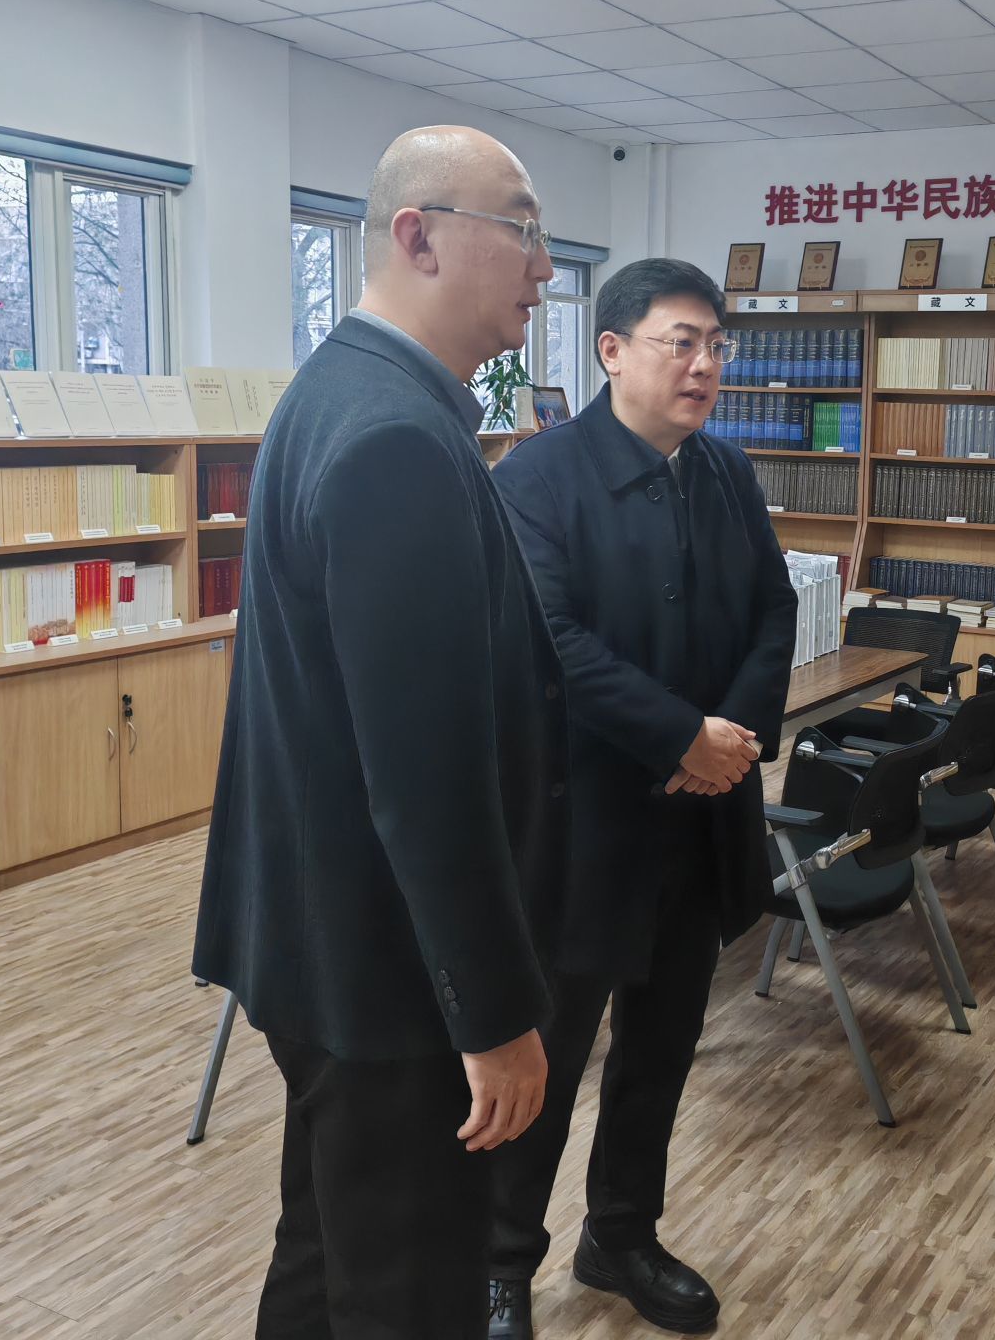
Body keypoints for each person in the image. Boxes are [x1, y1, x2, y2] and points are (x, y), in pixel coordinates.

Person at [193, 126, 570, 1340]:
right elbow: (424, 776)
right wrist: (492, 1017)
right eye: (522, 230)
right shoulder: (397, 439)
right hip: (391, 978)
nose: (543, 267)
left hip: (323, 943)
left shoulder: (339, 393)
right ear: (418, 236)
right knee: (404, 1297)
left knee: (327, 1263)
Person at [485, 258, 797, 1339]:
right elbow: (548, 639)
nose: (704, 365)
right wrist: (678, 737)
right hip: (583, 827)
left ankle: (621, 1233)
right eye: (681, 341)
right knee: (548, 1058)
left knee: (661, 1050)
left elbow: (773, 611)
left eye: (716, 344)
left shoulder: (725, 472)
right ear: (612, 350)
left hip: (699, 823)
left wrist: (729, 741)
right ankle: (498, 1264)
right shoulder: (536, 478)